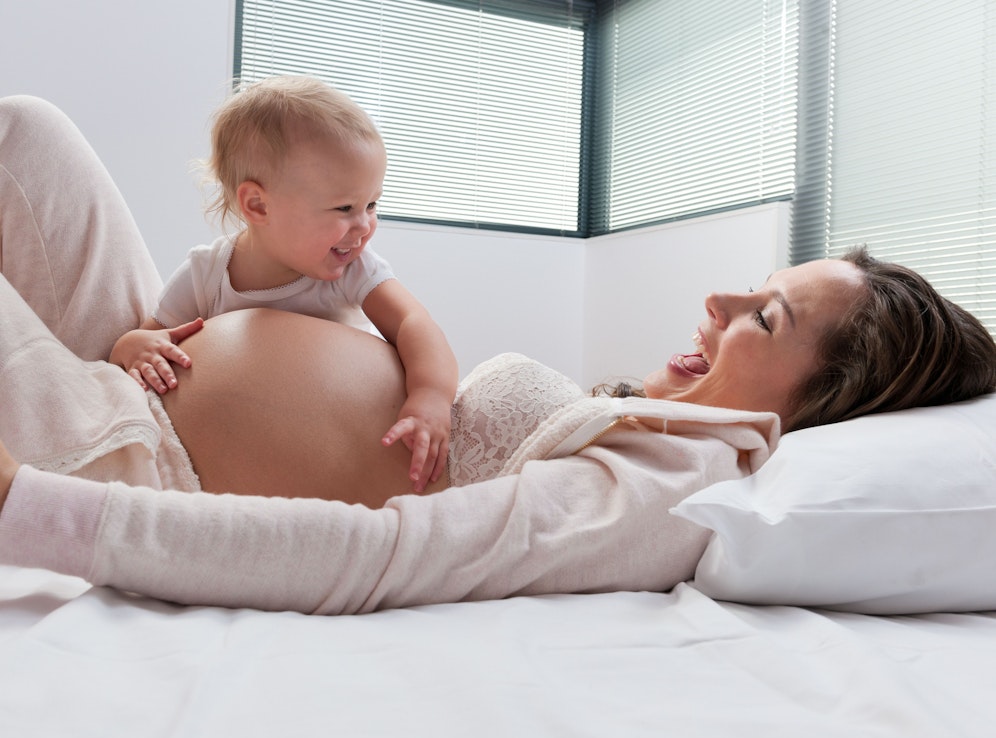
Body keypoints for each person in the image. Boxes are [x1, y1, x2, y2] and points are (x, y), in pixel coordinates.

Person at [1, 94, 993, 615]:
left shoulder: (684, 481)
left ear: (832, 400)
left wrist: (27, 507)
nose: (720, 301)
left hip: (134, 445)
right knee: (26, 135)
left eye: (765, 319)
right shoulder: (635, 423)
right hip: (137, 361)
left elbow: (392, 555)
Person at [108, 75, 458, 493]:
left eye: (372, 203)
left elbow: (413, 323)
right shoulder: (208, 272)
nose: (364, 225)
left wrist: (432, 396)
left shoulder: (354, 270)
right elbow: (148, 339)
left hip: (346, 448)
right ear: (257, 205)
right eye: (344, 207)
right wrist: (128, 346)